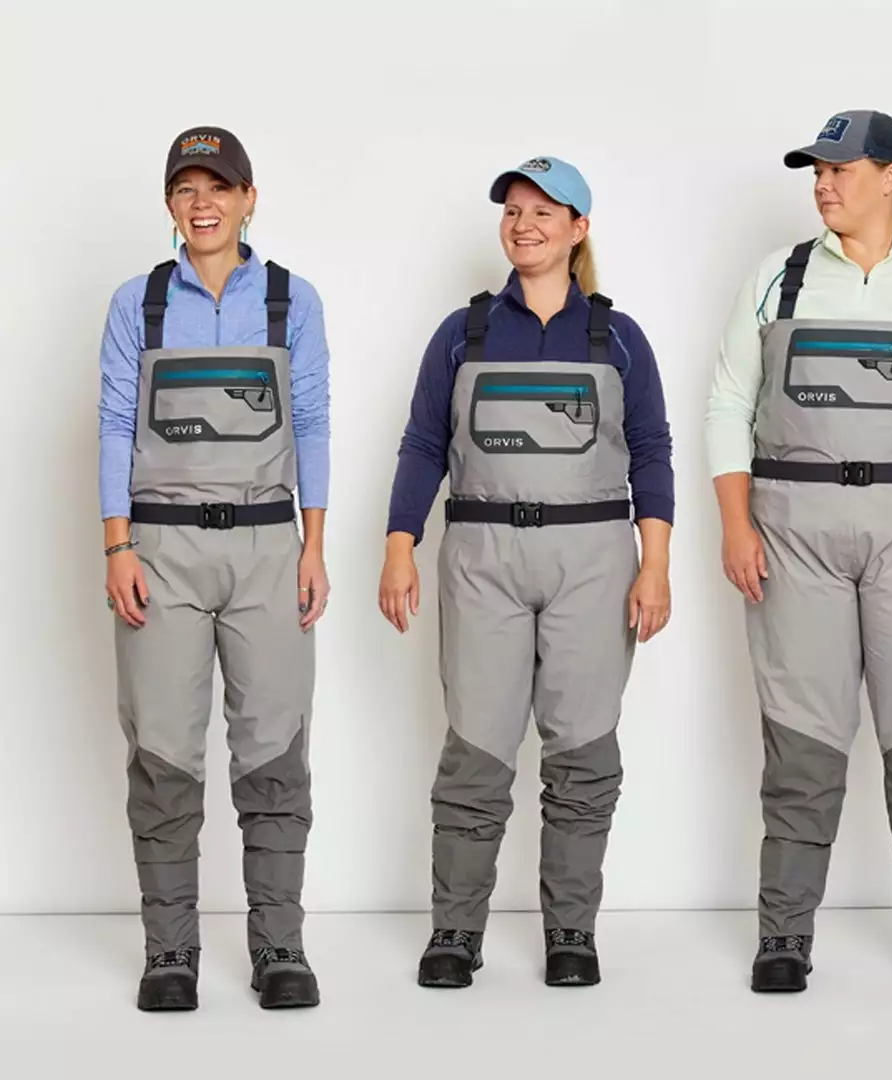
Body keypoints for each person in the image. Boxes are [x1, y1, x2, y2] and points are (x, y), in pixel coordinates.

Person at [706, 111, 892, 993]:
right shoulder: (778, 280)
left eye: (841, 168)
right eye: (817, 170)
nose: (823, 183)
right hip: (793, 534)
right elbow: (728, 403)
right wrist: (736, 524)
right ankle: (784, 936)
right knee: (800, 740)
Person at [379, 156, 674, 988]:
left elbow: (651, 451)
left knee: (583, 752)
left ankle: (570, 933)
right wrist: (400, 544)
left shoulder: (618, 337)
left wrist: (655, 563)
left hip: (594, 560)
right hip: (482, 559)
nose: (525, 224)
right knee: (476, 749)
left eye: (545, 211)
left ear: (579, 229)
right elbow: (423, 444)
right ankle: (455, 932)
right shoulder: (463, 332)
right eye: (513, 210)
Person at [97, 126, 331, 1011]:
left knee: (275, 750)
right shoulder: (139, 303)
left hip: (270, 547)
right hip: (160, 550)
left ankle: (279, 946)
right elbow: (113, 423)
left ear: (248, 198)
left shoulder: (291, 300)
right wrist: (117, 545)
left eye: (219, 187)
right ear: (170, 204)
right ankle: (170, 952)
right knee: (163, 752)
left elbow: (313, 419)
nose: (203, 204)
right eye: (186, 189)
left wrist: (313, 544)